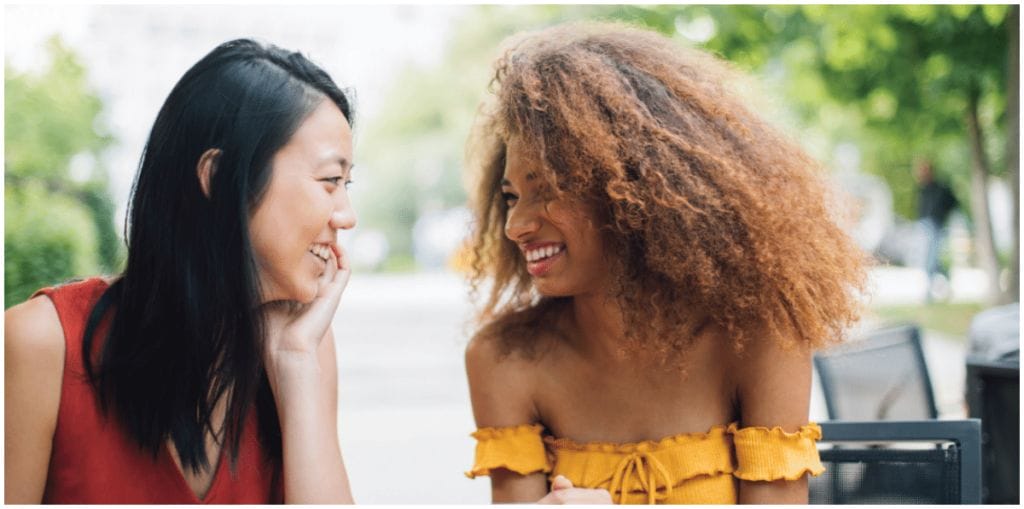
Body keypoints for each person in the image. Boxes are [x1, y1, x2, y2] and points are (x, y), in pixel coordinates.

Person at [463, 23, 868, 504]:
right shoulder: (504, 361)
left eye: (548, 189)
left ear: (634, 191)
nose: (516, 226)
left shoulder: (761, 337)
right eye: (511, 197)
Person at [5, 39, 357, 503]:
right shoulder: (39, 344)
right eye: (330, 181)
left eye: (346, 185)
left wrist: (296, 363)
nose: (346, 214)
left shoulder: (302, 347)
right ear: (219, 176)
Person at [913, 158, 958, 302]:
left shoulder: (940, 188)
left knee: (930, 261)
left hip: (935, 227)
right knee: (932, 262)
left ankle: (929, 294)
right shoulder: (923, 190)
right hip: (924, 226)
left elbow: (953, 203)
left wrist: (940, 215)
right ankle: (946, 280)